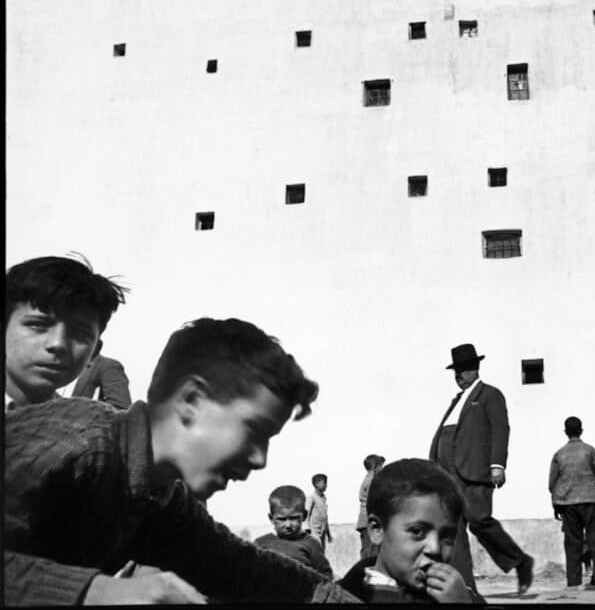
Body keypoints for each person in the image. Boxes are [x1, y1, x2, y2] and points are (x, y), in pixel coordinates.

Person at [3, 317, 355, 604]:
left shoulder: (161, 500)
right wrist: (98, 592)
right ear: (191, 400)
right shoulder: (74, 439)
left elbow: (243, 569)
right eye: (254, 430)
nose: (260, 459)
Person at [428, 343, 534, 595]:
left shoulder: (489, 395)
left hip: (474, 471)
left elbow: (500, 429)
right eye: (456, 371)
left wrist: (497, 465)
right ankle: (465, 587)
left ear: (475, 369)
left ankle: (519, 560)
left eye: (463, 369)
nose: (459, 375)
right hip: (447, 474)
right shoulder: (456, 400)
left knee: (478, 519)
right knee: (453, 529)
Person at [339, 458, 484, 603]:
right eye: (417, 532)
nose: (435, 549)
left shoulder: (457, 596)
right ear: (378, 529)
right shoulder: (344, 598)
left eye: (447, 536)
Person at [5, 254, 127, 410]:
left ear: (95, 350)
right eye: (37, 325)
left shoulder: (81, 425)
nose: (58, 343)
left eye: (81, 334)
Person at [549, 415, 595, 590]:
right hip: (590, 501)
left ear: (566, 432)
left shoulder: (559, 454)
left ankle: (573, 582)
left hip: (568, 504)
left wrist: (556, 506)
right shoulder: (590, 451)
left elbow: (552, 484)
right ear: (581, 430)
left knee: (572, 543)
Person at [254, 485, 333, 577]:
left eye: (294, 518)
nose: (288, 525)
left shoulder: (311, 544)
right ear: (271, 518)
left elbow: (325, 576)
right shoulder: (261, 544)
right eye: (282, 519)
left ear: (304, 516)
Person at [357, 454, 386, 559]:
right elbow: (374, 502)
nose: (382, 469)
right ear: (375, 467)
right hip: (369, 519)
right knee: (371, 553)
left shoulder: (369, 480)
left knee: (369, 551)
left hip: (367, 520)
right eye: (381, 466)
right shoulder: (372, 481)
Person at [307, 473, 333, 550]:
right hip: (314, 532)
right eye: (324, 483)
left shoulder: (323, 498)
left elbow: (325, 517)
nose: (326, 485)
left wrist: (328, 534)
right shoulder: (311, 498)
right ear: (317, 484)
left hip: (322, 532)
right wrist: (307, 530)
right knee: (316, 553)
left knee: (321, 553)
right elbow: (306, 514)